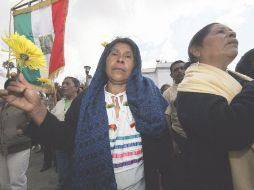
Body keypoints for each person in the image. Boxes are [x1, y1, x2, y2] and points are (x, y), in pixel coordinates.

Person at [0, 37, 172, 190]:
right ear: (104, 61)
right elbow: (65, 139)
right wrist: (37, 109)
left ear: (135, 65)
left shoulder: (149, 95)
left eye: (128, 56)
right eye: (114, 54)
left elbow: (165, 149)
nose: (120, 59)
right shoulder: (86, 100)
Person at [176, 23, 254, 190]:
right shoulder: (191, 87)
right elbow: (233, 132)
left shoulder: (240, 80)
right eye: (220, 31)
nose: (232, 33)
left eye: (232, 32)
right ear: (196, 50)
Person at [162, 60, 189, 190]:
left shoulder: (197, 86)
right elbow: (167, 117)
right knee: (183, 172)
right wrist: (173, 141)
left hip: (200, 136)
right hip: (180, 136)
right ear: (171, 75)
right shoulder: (167, 94)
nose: (179, 71)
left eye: (182, 68)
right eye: (175, 70)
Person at [0, 78, 31, 190]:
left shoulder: (26, 102)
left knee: (17, 182)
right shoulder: (2, 103)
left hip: (19, 147)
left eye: (15, 87)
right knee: (4, 183)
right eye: (9, 87)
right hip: (2, 148)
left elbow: (35, 122)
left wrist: (22, 130)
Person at [53, 76, 80, 189]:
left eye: (67, 83)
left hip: (77, 145)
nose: (63, 86)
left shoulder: (83, 102)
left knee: (78, 175)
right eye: (63, 83)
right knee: (63, 175)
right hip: (61, 146)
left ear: (76, 87)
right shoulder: (59, 103)